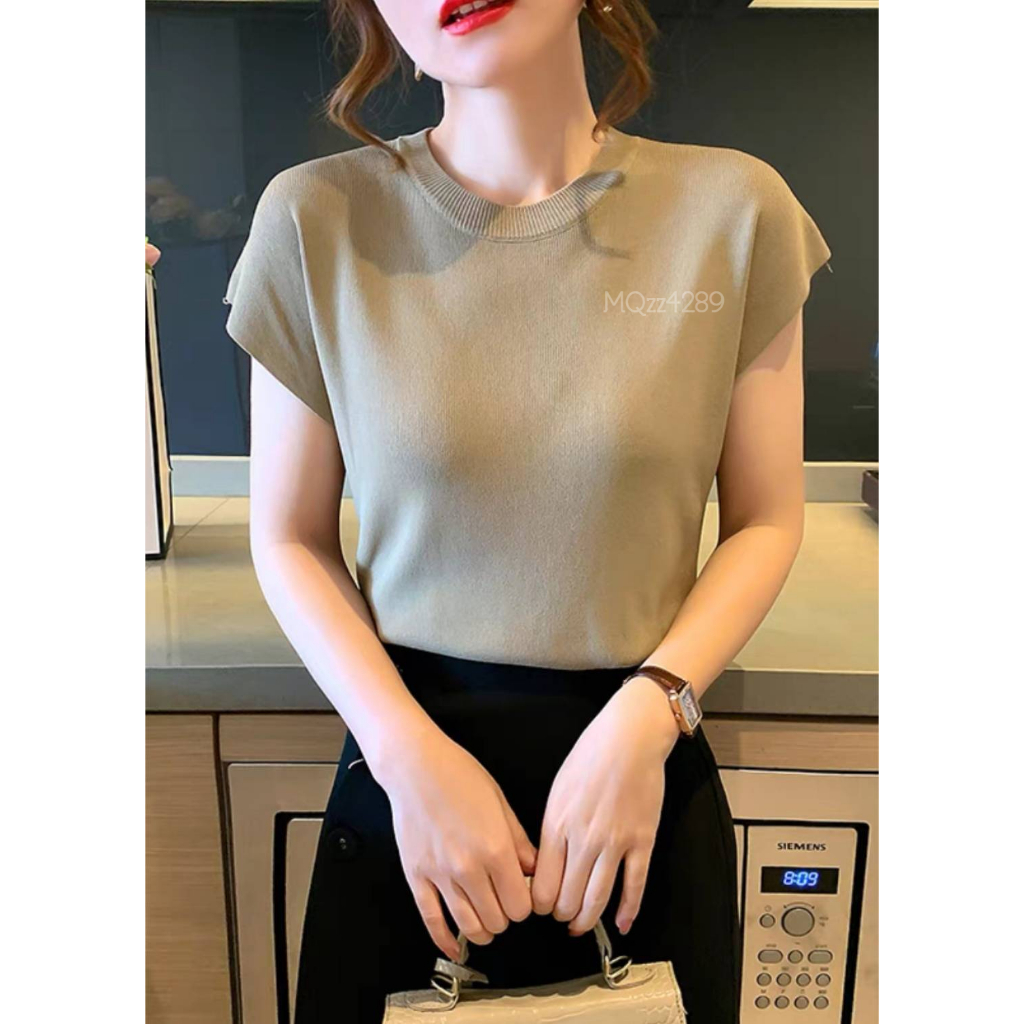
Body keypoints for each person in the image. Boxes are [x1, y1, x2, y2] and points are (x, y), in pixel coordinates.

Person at [221, 1, 832, 1021]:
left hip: (638, 782)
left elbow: (766, 518)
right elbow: (289, 535)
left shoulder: (734, 210)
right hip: (407, 786)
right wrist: (406, 757)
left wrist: (650, 714)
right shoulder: (316, 217)